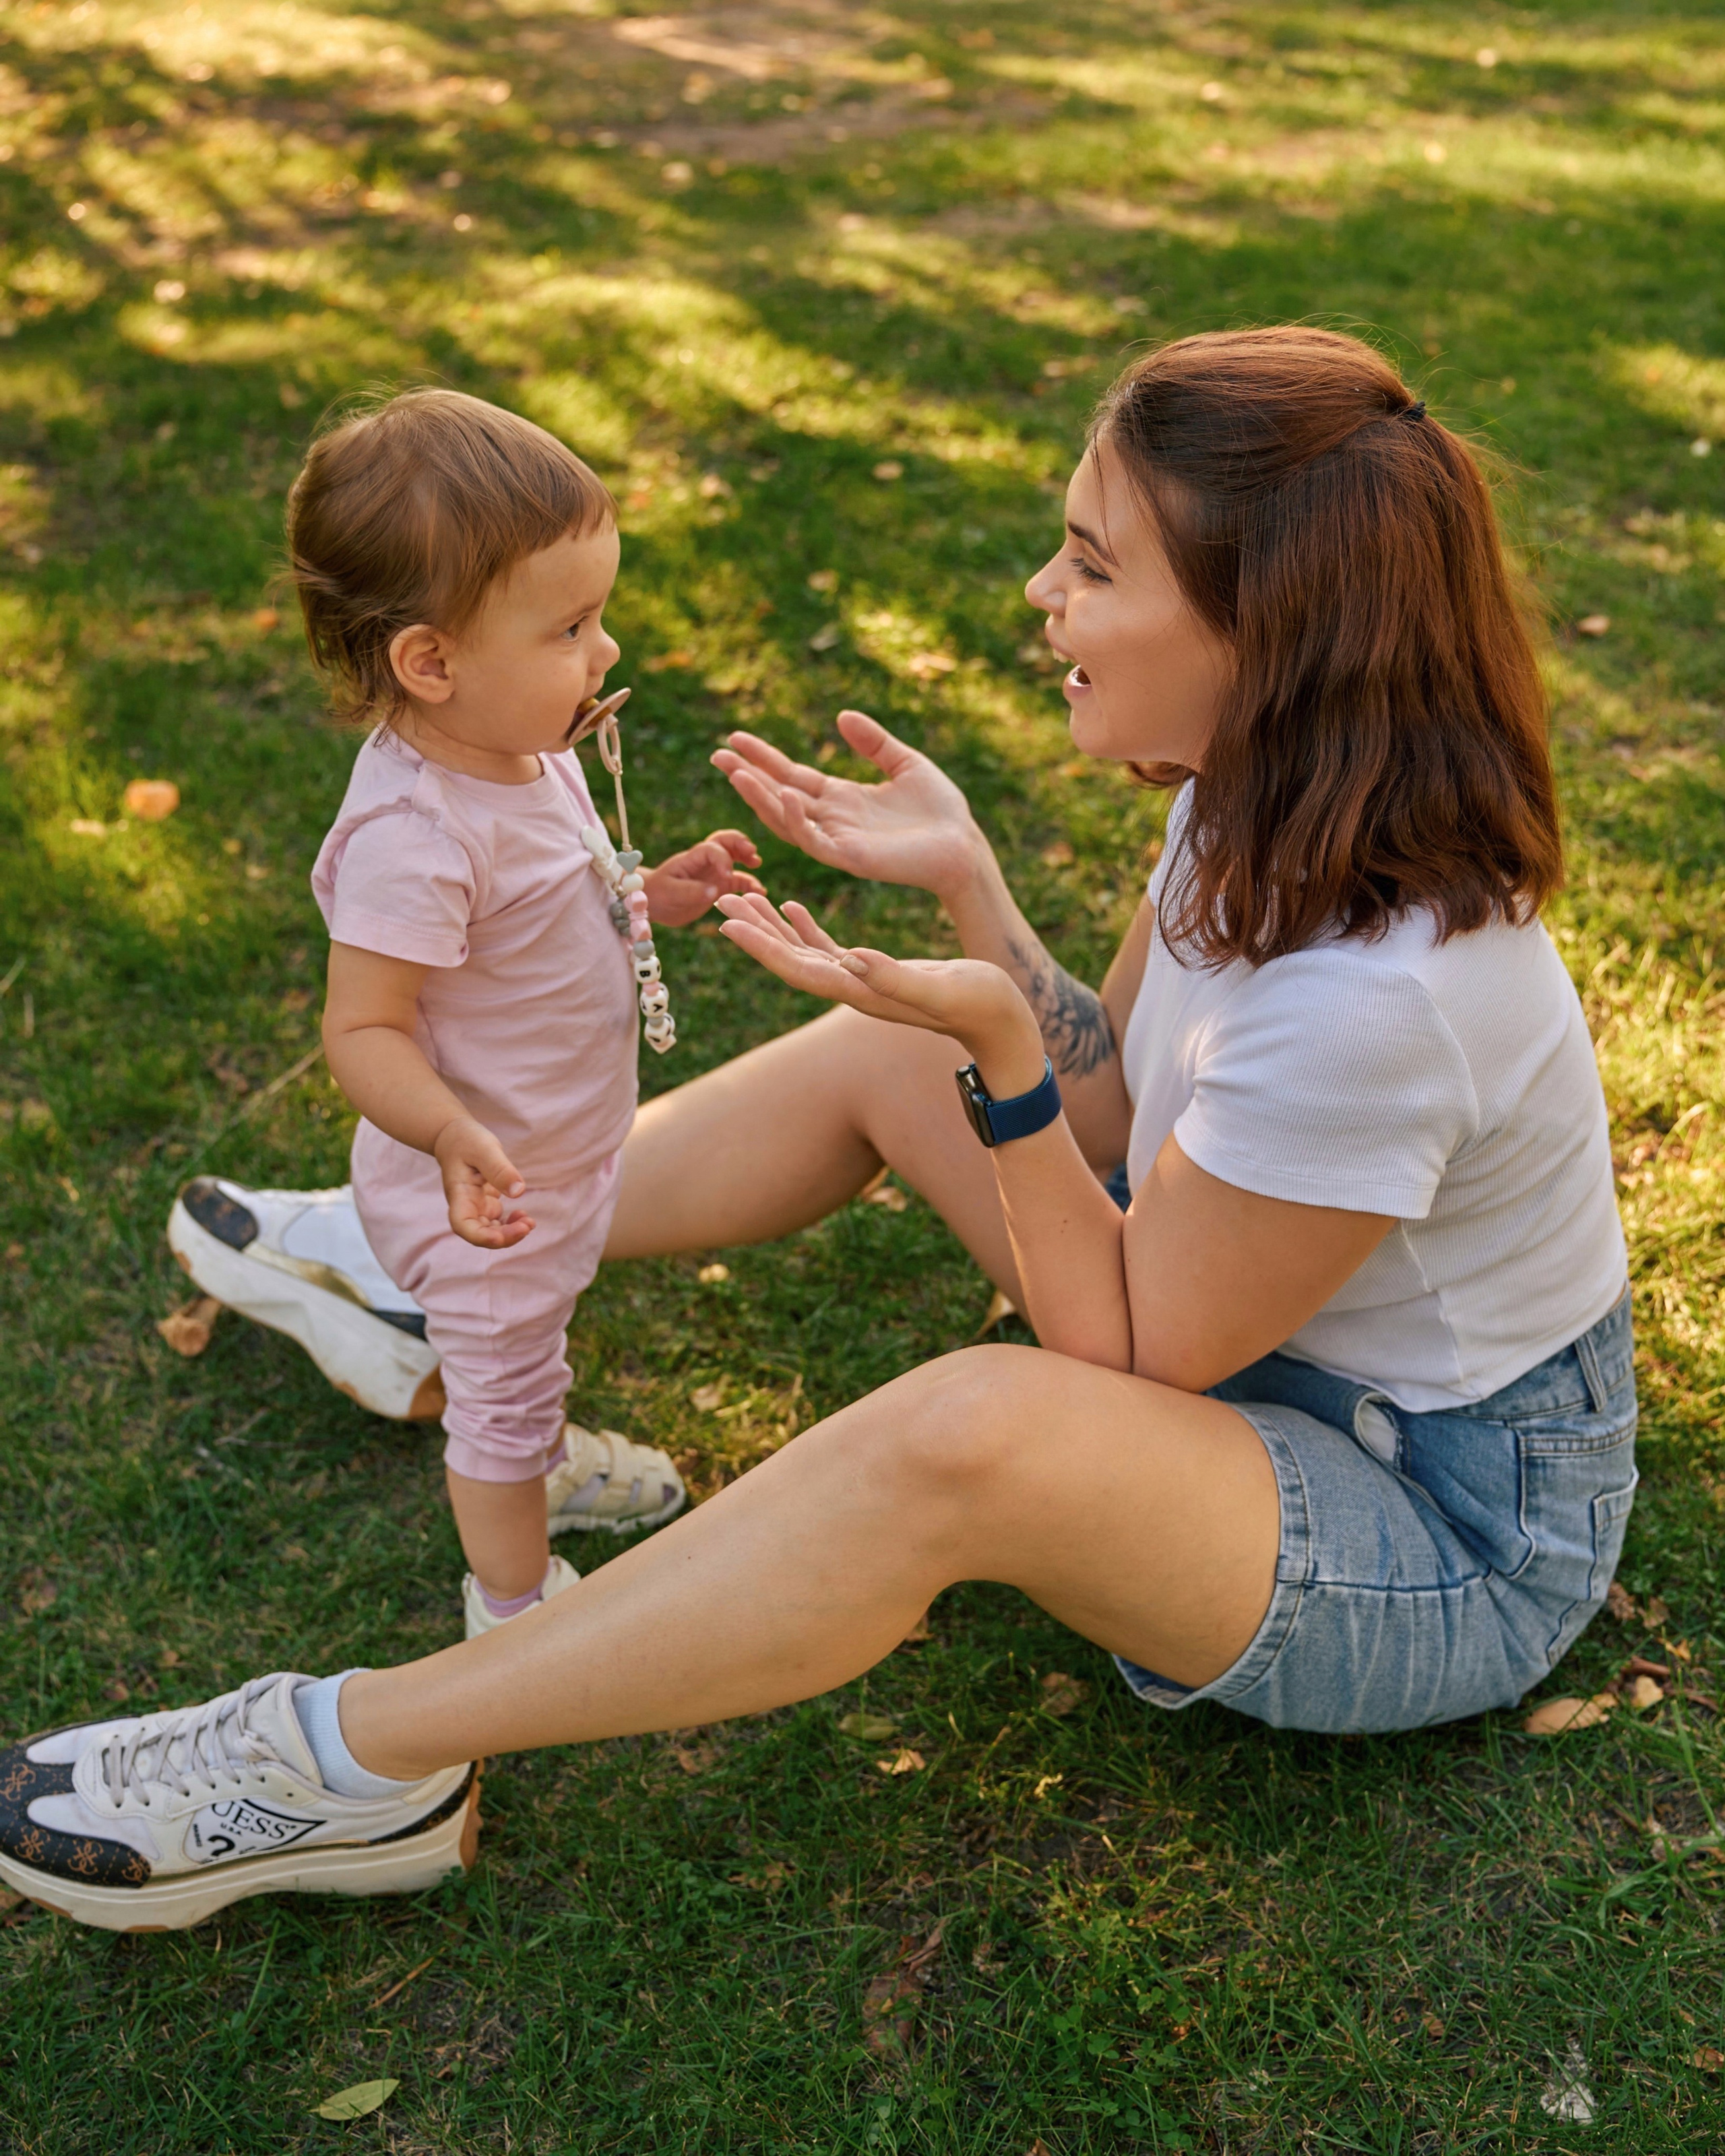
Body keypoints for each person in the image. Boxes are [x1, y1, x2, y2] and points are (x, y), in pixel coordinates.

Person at [0, 328, 1635, 1935]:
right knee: (879, 1049)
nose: (1038, 597)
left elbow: (1127, 1359)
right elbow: (1123, 1102)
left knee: (968, 1431)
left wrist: (991, 1034)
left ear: (1258, 633)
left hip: (1442, 1523)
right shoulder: (1249, 791)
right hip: (1258, 1358)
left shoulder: (1381, 999)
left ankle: (360, 1757)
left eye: (1088, 564)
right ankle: (394, 1252)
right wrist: (967, 888)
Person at [184, 388, 769, 1643]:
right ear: (431, 662)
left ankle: (526, 1458)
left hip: (558, 1151)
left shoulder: (525, 750)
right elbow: (367, 1032)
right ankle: (514, 1614)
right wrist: (448, 1135)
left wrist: (650, 894)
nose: (603, 651)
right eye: (570, 627)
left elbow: (550, 908)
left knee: (534, 1353)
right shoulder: (414, 836)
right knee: (500, 1402)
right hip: (485, 1194)